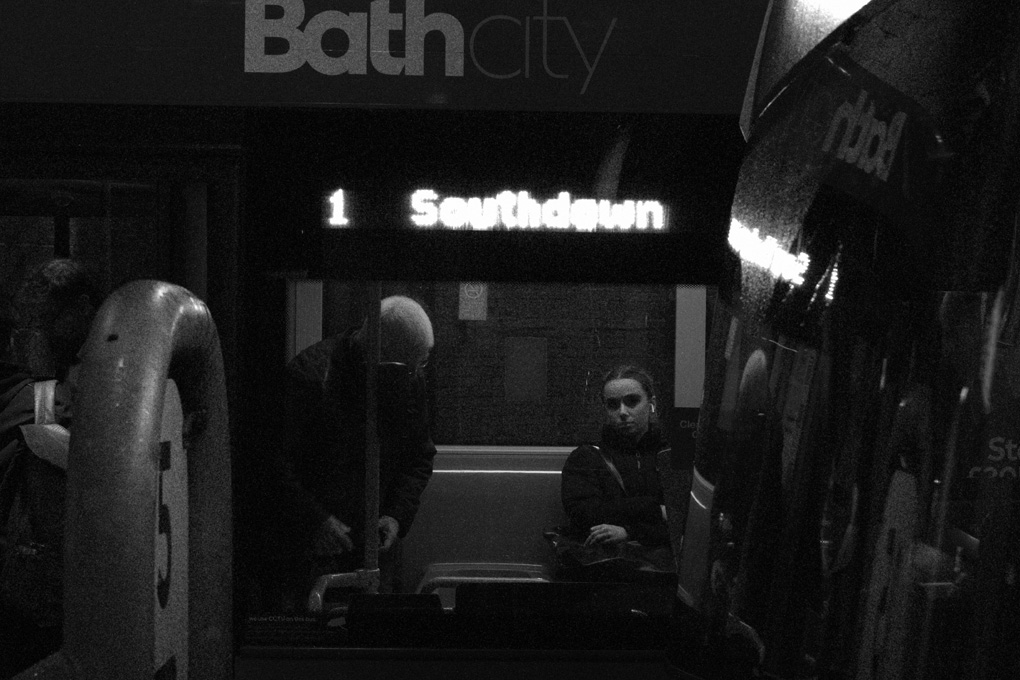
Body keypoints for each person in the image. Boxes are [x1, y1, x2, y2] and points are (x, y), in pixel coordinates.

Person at [255, 295, 437, 607]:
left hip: (374, 544)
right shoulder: (311, 378)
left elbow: (418, 456)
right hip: (313, 550)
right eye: (411, 365)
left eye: (421, 363)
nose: (417, 374)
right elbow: (272, 462)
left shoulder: (407, 380)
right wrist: (314, 521)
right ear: (384, 355)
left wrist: (395, 514)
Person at [0, 259, 103, 678]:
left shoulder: (98, 366)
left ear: (81, 309)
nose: (39, 335)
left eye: (47, 322)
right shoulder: (37, 392)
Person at [560, 364, 671, 553]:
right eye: (613, 404)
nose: (622, 412)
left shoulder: (669, 455)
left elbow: (685, 521)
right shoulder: (588, 457)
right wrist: (655, 510)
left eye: (632, 401)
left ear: (651, 403)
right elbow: (585, 514)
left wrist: (630, 532)